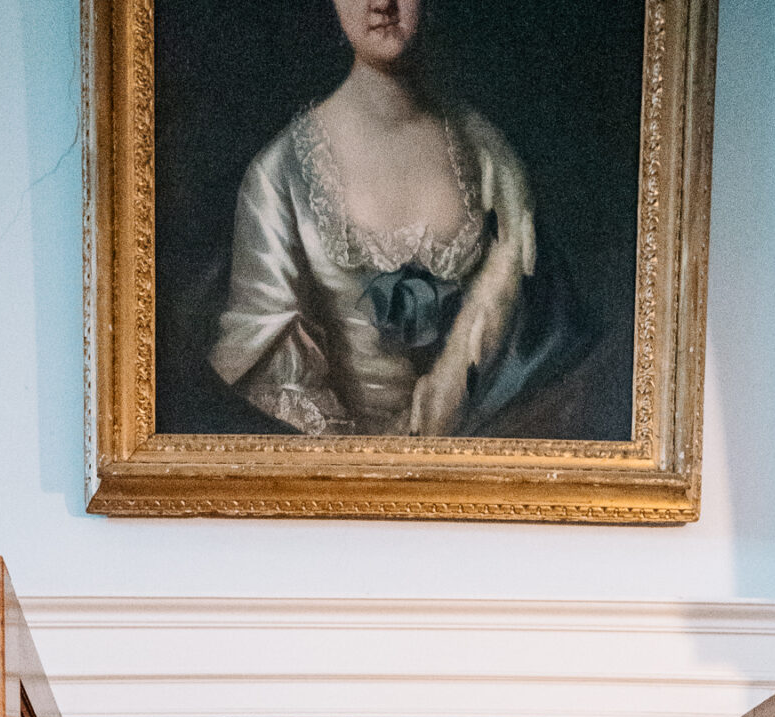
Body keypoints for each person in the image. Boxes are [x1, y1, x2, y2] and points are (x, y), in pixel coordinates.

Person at [208, 0, 587, 437]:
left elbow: (536, 347)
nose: (381, 3)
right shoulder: (280, 173)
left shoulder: (489, 157)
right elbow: (270, 372)